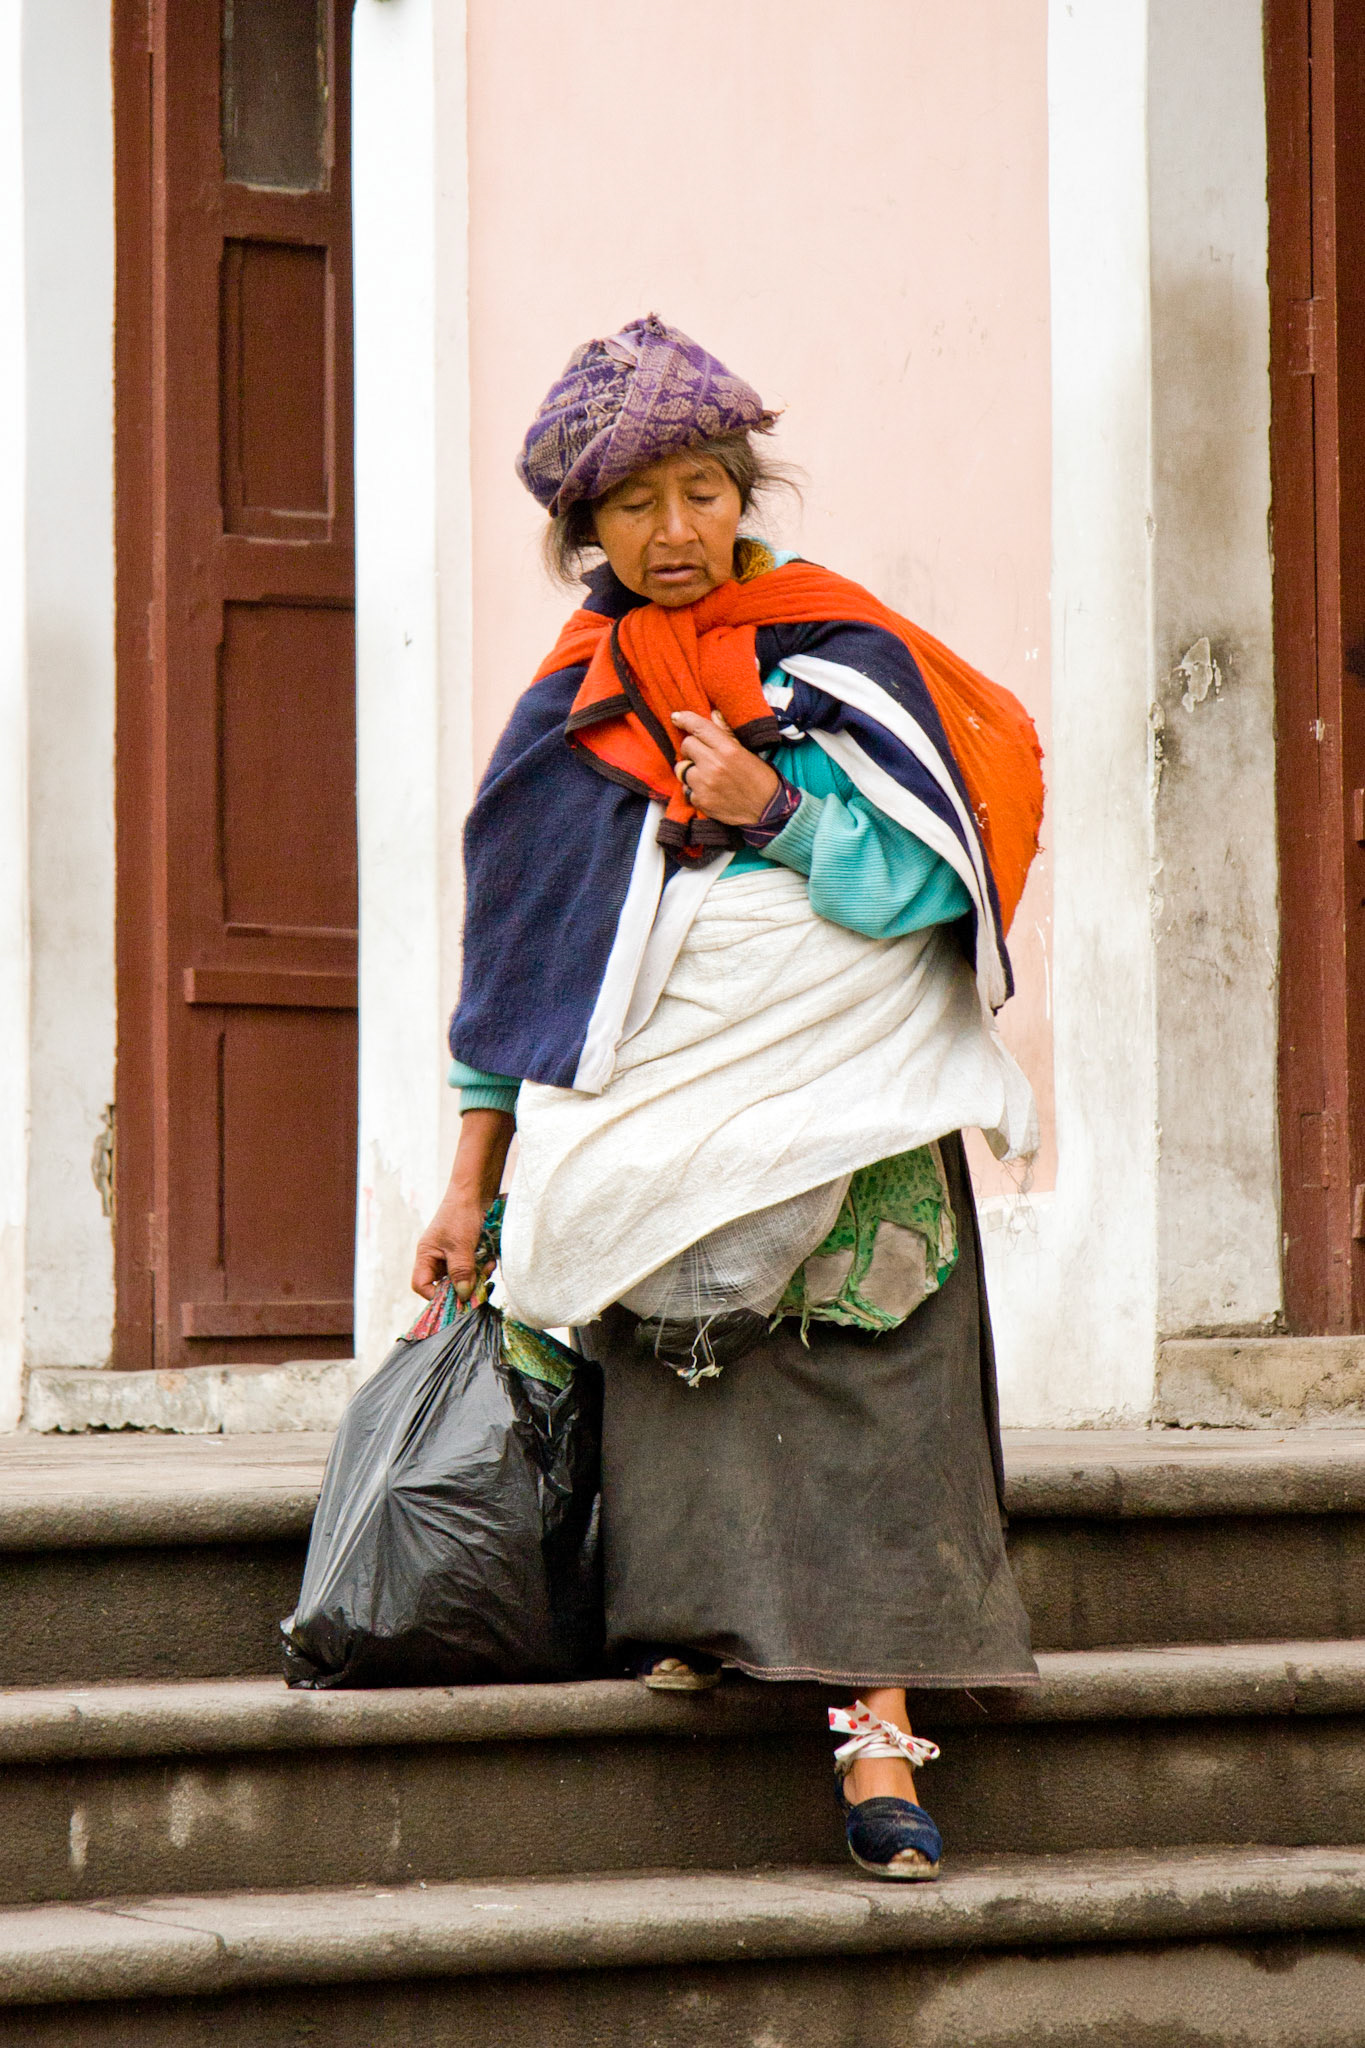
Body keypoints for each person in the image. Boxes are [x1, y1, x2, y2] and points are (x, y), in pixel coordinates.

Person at [413, 314, 1044, 1881]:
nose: (673, 531)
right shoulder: (572, 706)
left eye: (698, 491)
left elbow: (923, 883)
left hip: (842, 1111)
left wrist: (769, 811)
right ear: (586, 536)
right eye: (633, 506)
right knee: (686, 1385)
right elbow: (526, 964)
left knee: (862, 1393)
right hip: (653, 1115)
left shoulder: (836, 649)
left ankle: (878, 1737)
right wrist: (466, 1184)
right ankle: (710, 1622)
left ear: (742, 495)